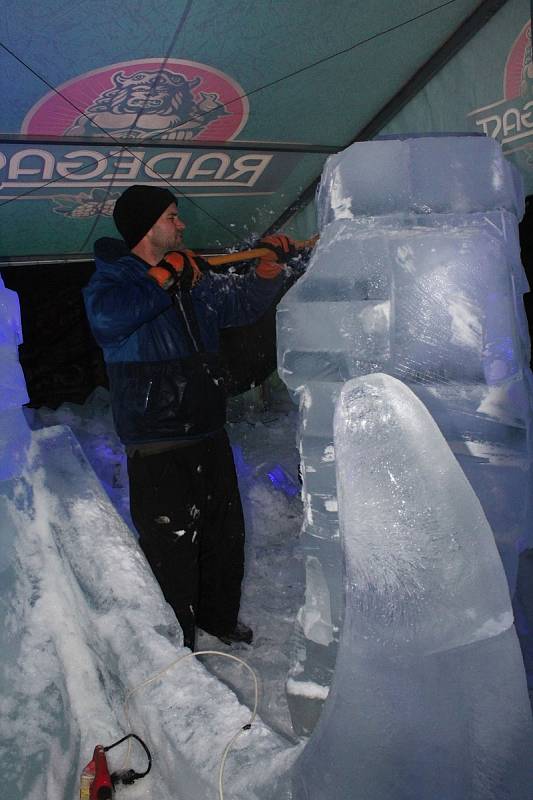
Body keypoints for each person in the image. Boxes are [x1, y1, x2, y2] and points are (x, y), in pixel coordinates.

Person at [83, 184, 295, 651]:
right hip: (157, 438)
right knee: (171, 546)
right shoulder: (114, 280)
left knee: (225, 536)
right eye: (172, 217)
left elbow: (238, 305)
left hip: (207, 428)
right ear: (145, 227)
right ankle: (175, 641)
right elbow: (107, 321)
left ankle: (219, 617)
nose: (181, 225)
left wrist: (266, 270)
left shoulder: (193, 275)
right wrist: (163, 278)